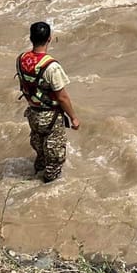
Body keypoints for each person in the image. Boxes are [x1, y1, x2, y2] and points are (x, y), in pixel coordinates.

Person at [15, 22, 80, 182]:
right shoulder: (51, 67)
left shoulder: (21, 59)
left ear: (31, 38)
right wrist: (73, 118)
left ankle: (37, 172)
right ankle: (46, 185)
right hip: (50, 117)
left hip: (33, 114)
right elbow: (62, 97)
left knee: (41, 148)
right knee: (55, 158)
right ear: (49, 38)